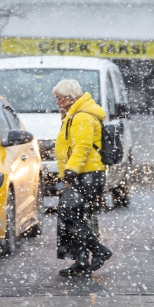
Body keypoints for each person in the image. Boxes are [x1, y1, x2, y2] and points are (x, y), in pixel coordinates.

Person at [53, 79, 112, 276]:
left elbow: (82, 147)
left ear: (70, 98)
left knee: (70, 215)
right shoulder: (74, 115)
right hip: (83, 174)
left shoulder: (82, 117)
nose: (57, 102)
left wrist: (71, 172)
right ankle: (81, 261)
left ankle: (98, 251)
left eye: (60, 98)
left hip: (87, 175)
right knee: (73, 217)